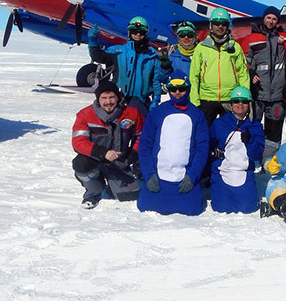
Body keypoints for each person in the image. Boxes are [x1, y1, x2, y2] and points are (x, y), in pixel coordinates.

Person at [137, 71, 209, 216]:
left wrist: (192, 177)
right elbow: (145, 145)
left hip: (184, 177)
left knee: (193, 209)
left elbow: (203, 148)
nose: (177, 93)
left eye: (181, 89)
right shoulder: (157, 113)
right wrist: (149, 174)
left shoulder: (196, 114)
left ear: (187, 89)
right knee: (145, 206)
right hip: (159, 175)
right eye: (173, 89)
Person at [71, 81, 144, 209]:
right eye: (104, 98)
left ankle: (113, 185)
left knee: (131, 196)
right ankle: (94, 192)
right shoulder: (85, 115)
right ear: (98, 99)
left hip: (119, 163)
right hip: (95, 161)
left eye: (112, 97)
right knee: (80, 163)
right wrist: (103, 153)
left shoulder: (132, 114)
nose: (108, 102)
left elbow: (142, 137)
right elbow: (78, 142)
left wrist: (133, 154)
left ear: (118, 97)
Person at [239, 6, 286, 161]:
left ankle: (269, 160)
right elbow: (242, 62)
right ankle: (250, 158)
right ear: (263, 18)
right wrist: (251, 73)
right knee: (253, 126)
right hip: (258, 93)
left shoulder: (283, 37)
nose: (271, 21)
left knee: (274, 131)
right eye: (269, 18)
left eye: (274, 19)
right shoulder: (251, 38)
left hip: (277, 95)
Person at [87, 16, 162, 117]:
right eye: (134, 31)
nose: (138, 34)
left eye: (142, 31)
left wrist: (156, 99)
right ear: (129, 32)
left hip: (141, 102)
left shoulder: (152, 56)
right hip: (119, 101)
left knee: (141, 131)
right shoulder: (118, 51)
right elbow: (98, 56)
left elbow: (156, 81)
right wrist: (92, 42)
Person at [209, 86, 266, 214]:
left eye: (244, 101)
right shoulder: (219, 124)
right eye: (236, 101)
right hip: (223, 170)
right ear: (231, 104)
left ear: (249, 104)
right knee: (221, 208)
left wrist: (250, 141)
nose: (240, 104)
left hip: (243, 171)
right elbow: (208, 146)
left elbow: (257, 155)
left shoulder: (255, 126)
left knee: (248, 208)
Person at [189, 7, 250, 125]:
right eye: (216, 23)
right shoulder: (201, 48)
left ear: (228, 26)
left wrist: (244, 97)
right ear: (211, 25)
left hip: (229, 99)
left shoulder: (235, 47)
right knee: (204, 134)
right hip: (206, 99)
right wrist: (195, 101)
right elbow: (194, 76)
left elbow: (243, 73)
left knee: (228, 136)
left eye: (223, 24)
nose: (220, 26)